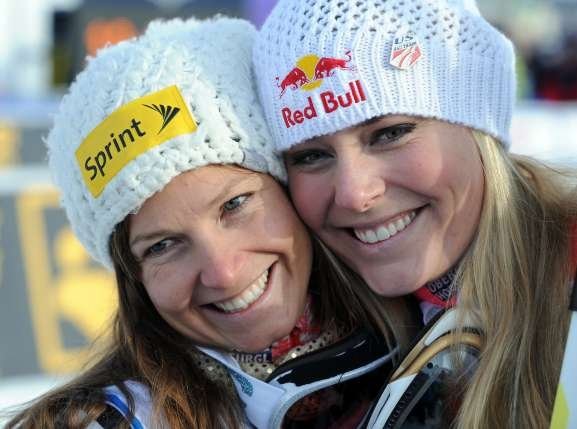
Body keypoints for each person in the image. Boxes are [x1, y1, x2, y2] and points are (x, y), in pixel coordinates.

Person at [7, 17, 417, 429]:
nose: (223, 273)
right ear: (134, 278)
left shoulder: (434, 342)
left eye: (234, 205)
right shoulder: (115, 420)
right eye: (162, 246)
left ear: (289, 189)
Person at [253, 0, 577, 427]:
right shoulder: (305, 340)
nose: (355, 194)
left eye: (390, 133)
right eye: (310, 156)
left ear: (478, 126)